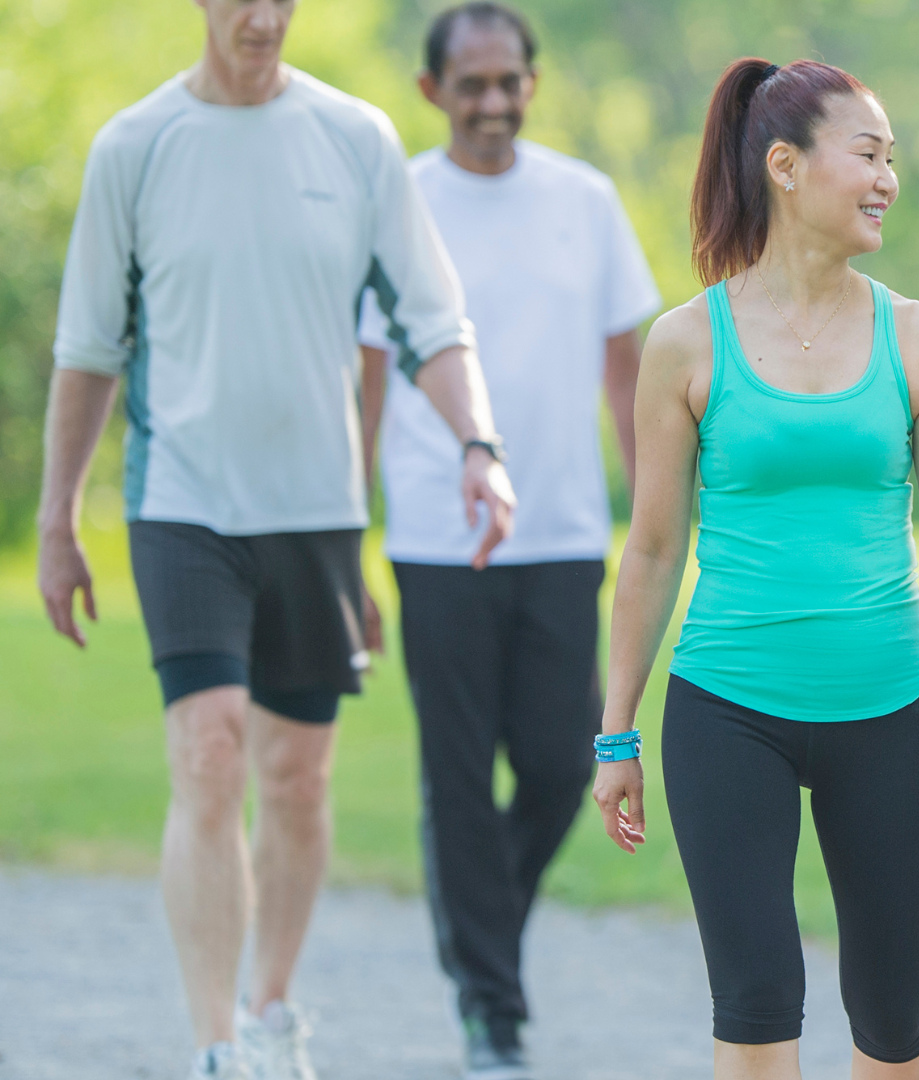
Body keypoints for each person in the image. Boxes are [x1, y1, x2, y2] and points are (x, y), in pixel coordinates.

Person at [33, 1, 514, 1078]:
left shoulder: (356, 139)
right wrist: (57, 516)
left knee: (295, 777)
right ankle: (214, 1047)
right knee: (207, 756)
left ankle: (271, 1009)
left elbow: (434, 321)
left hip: (318, 512)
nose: (262, 16)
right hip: (185, 507)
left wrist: (478, 442)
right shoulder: (136, 146)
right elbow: (88, 348)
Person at [589, 57, 919, 1080]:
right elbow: (650, 547)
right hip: (729, 708)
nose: (887, 180)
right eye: (867, 155)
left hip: (891, 707)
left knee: (896, 1013)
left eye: (892, 160)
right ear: (784, 165)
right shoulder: (686, 342)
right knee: (759, 996)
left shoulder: (918, 336)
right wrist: (616, 730)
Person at [355, 5, 660, 1078]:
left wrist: (652, 506)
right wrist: (354, 538)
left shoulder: (585, 199)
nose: (492, 101)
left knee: (553, 760)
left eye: (508, 81)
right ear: (432, 91)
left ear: (534, 82)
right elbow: (370, 378)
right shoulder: (398, 205)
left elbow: (631, 365)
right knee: (454, 776)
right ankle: (494, 1005)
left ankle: (480, 929)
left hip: (566, 530)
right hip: (437, 540)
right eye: (470, 84)